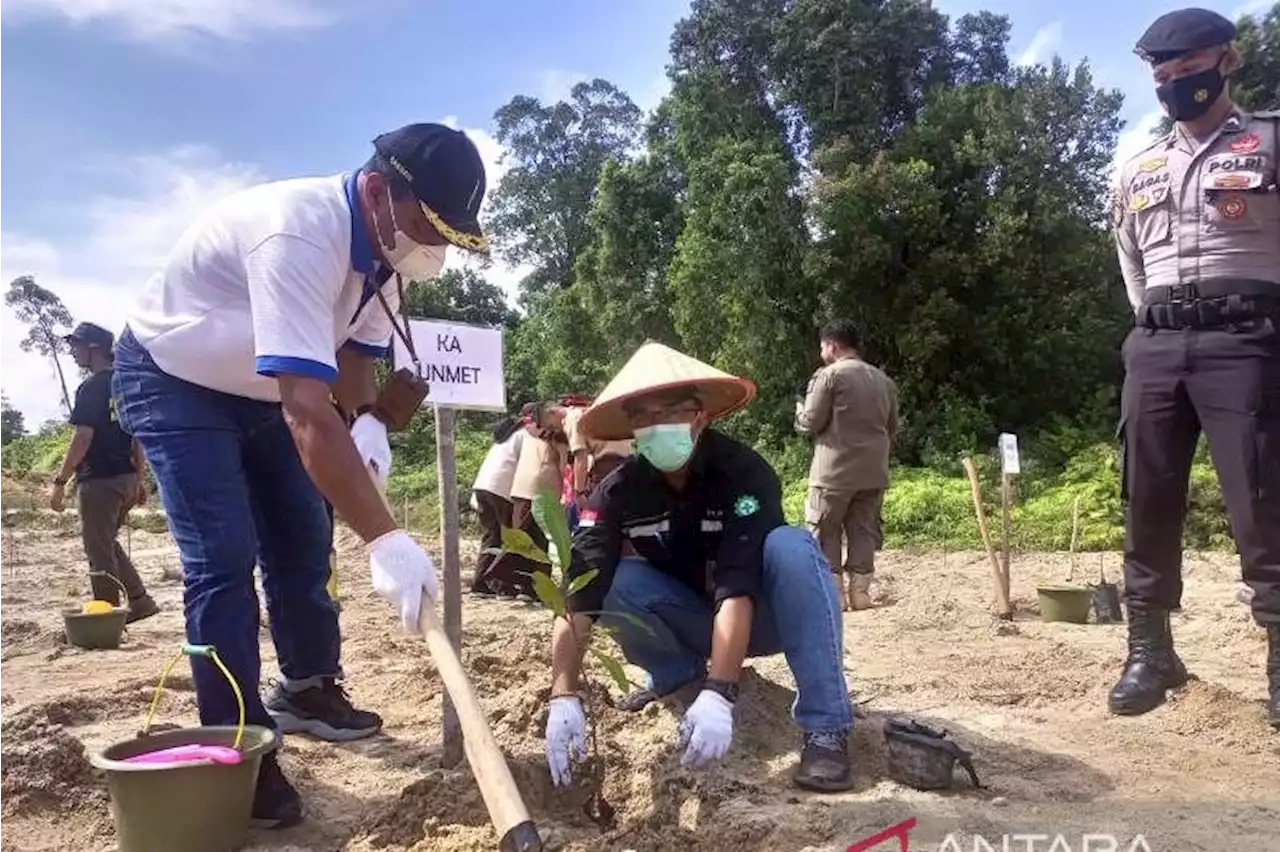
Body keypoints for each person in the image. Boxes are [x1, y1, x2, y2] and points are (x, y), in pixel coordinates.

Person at [111, 122, 484, 826]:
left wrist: (369, 419)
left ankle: (308, 687)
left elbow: (352, 361)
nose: (429, 247)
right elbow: (308, 412)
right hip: (177, 379)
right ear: (378, 191)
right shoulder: (298, 235)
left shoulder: (385, 256)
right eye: (422, 225)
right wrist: (385, 540)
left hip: (269, 391)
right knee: (223, 557)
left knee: (302, 538)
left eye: (444, 235)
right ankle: (237, 747)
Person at [543, 342, 856, 793]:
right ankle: (676, 677)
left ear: (700, 416)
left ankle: (826, 724)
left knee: (793, 547)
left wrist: (722, 691)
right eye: (643, 416)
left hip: (767, 618)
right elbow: (581, 588)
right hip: (693, 618)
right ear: (630, 428)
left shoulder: (743, 473)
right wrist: (563, 693)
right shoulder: (617, 491)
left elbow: (739, 581)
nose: (657, 425)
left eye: (671, 410)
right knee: (613, 583)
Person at [1111, 8, 1280, 728]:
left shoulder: (1270, 141)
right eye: (1163, 75)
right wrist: (1158, 326)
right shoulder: (1137, 167)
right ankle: (1151, 651)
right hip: (1156, 343)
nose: (1175, 84)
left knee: (1264, 502)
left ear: (1228, 60)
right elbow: (1131, 265)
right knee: (1145, 497)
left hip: (1249, 340)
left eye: (1188, 69)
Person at [50, 322, 159, 623]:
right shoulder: (126, 382)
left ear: (93, 349)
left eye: (76, 346)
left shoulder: (92, 387)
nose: (72, 352)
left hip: (99, 480)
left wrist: (60, 481)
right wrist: (138, 477)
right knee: (106, 542)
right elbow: (137, 436)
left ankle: (106, 617)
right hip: (124, 478)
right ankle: (140, 600)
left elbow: (82, 438)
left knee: (97, 549)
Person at [795, 320, 899, 612]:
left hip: (834, 470)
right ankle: (861, 594)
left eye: (822, 346)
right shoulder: (883, 381)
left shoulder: (828, 377)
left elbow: (812, 422)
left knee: (825, 529)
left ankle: (835, 597)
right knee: (864, 530)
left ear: (832, 345)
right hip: (873, 471)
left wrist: (800, 415)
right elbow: (892, 427)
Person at [469, 416, 527, 596]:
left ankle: (481, 583)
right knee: (506, 538)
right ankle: (501, 584)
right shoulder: (525, 436)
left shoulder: (504, 438)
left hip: (482, 487)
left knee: (491, 536)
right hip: (501, 490)